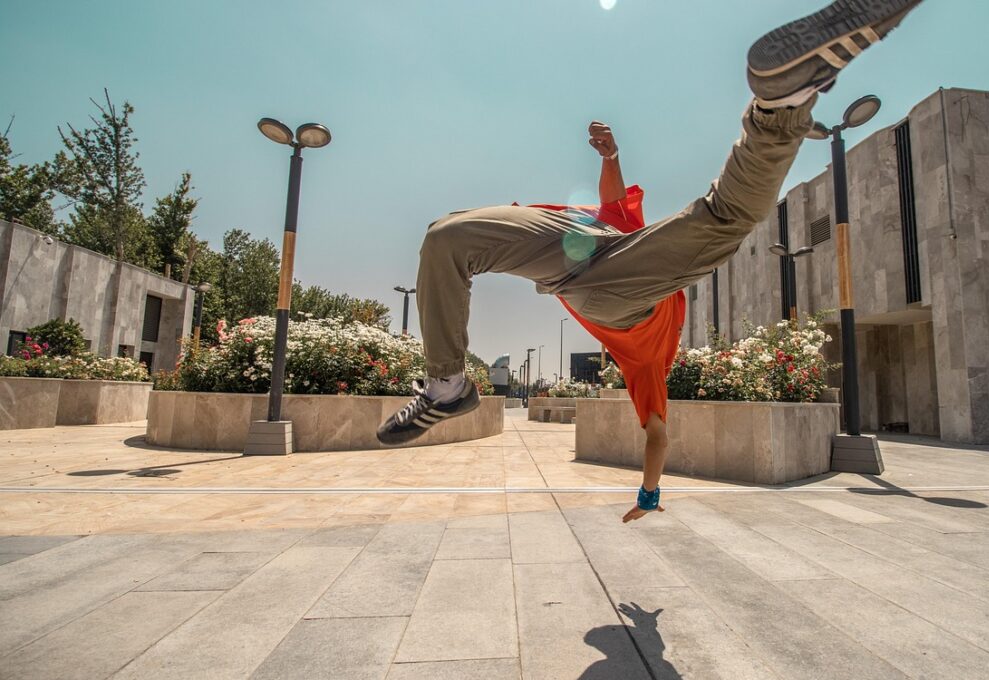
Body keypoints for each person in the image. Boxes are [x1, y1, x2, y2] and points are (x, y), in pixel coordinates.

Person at [378, 0, 924, 521]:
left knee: (722, 216)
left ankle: (780, 108)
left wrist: (649, 492)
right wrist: (612, 157)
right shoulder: (652, 351)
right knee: (446, 237)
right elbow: (615, 206)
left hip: (610, 294)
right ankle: (448, 385)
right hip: (571, 245)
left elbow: (658, 437)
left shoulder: (645, 367)